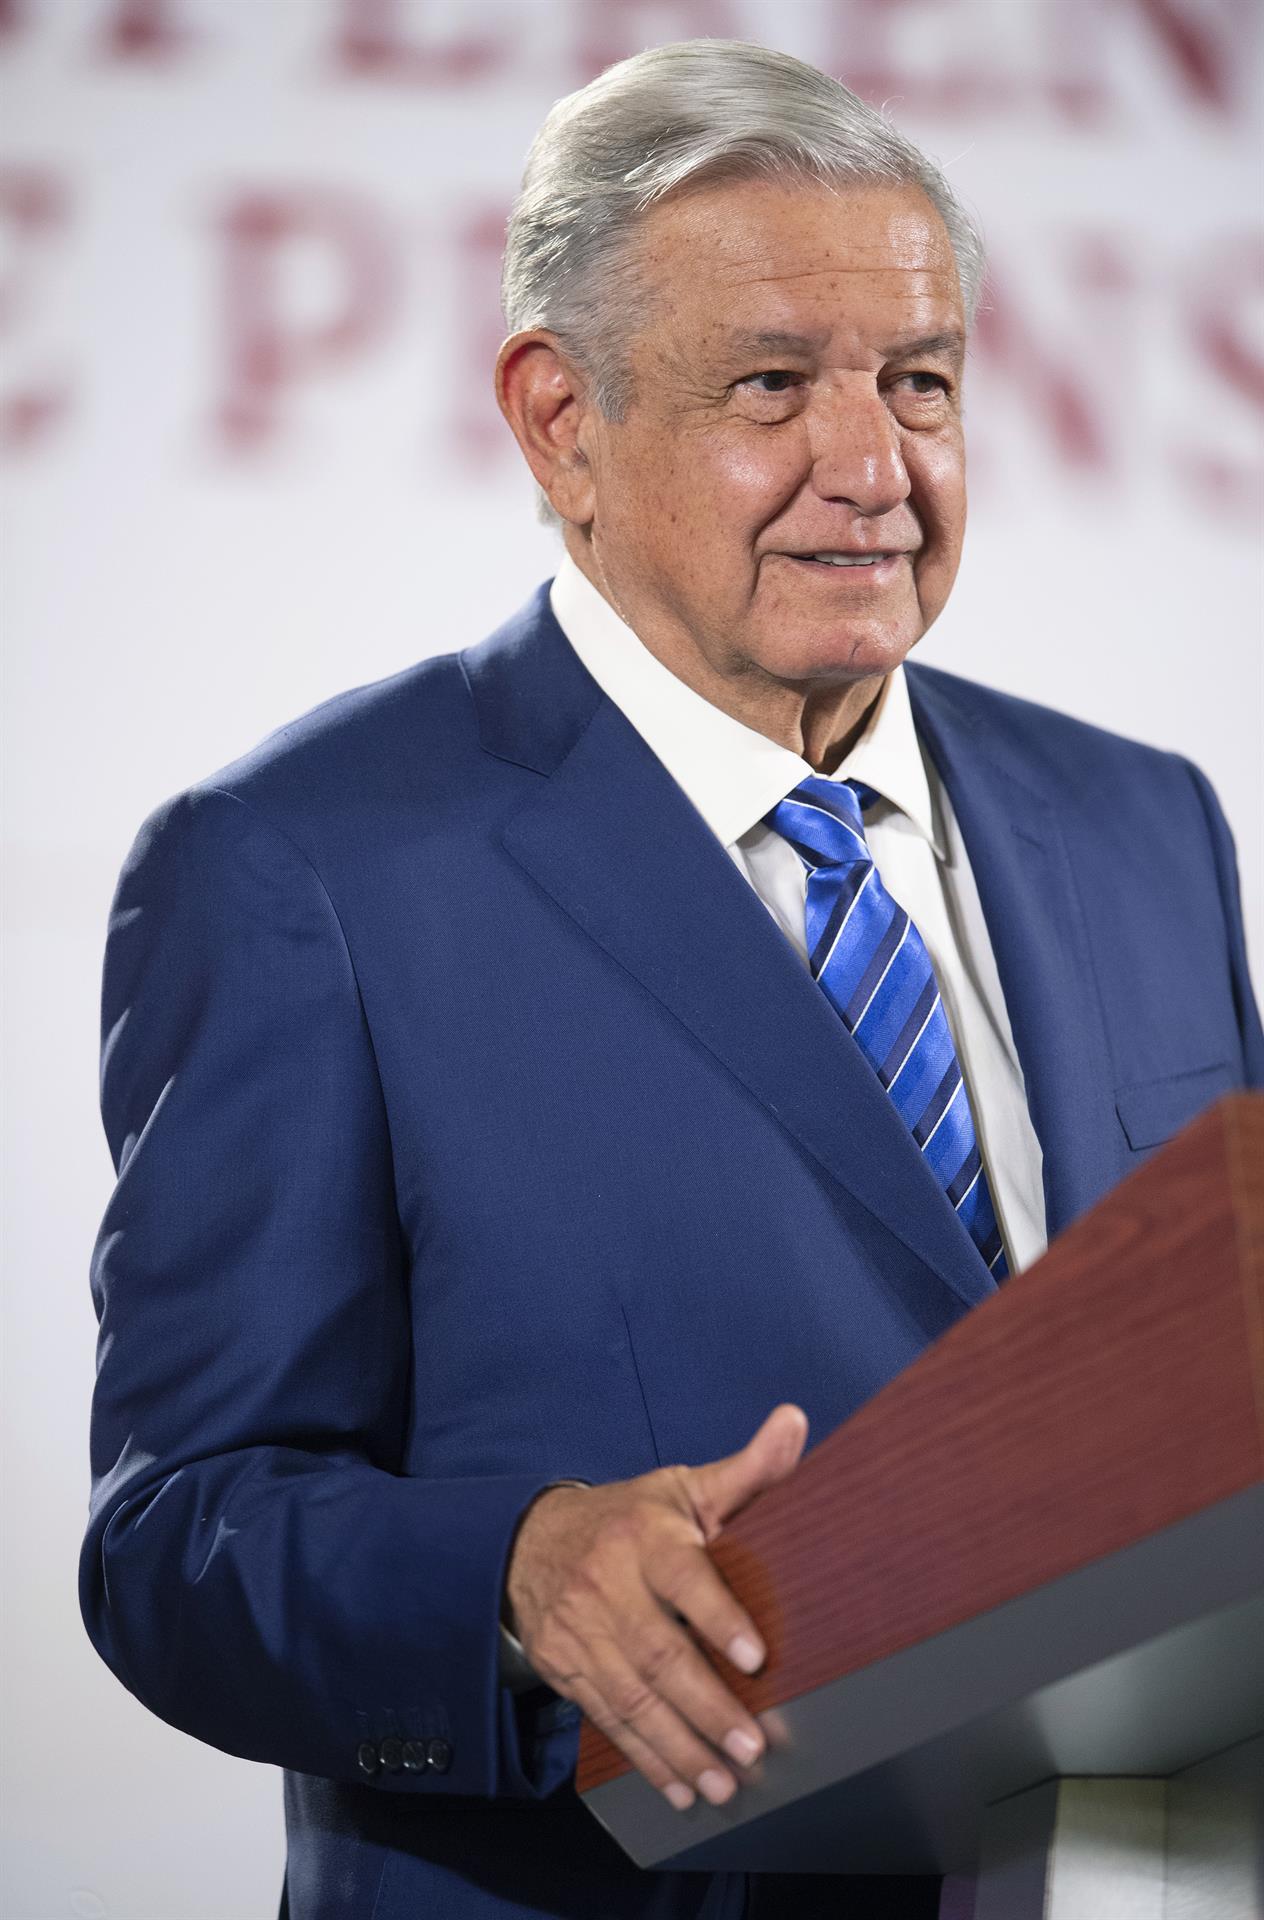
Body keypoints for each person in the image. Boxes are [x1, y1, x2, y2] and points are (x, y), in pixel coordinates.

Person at [79, 39, 1263, 1920]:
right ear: (560, 421)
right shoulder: (307, 866)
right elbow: (176, 1539)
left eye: (923, 384)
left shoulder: (1142, 825)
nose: (872, 468)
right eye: (773, 387)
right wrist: (515, 1573)